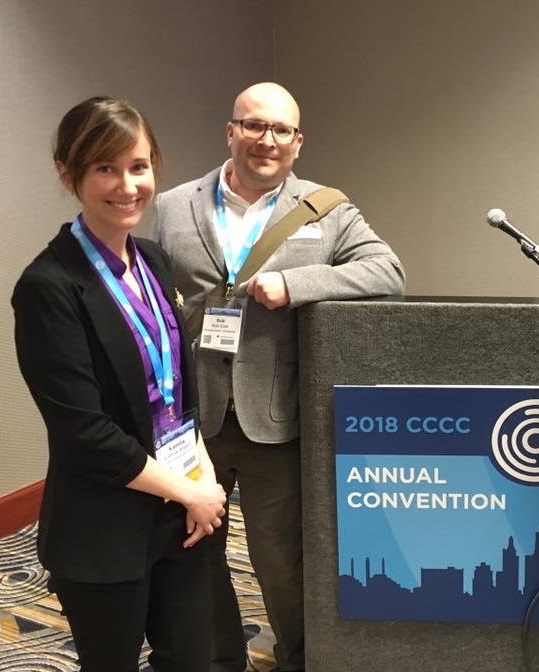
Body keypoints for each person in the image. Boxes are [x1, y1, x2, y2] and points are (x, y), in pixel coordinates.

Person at [152, 82, 405, 672]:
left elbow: (387, 270)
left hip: (276, 416)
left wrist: (296, 286)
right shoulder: (170, 206)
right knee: (194, 553)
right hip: (192, 419)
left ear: (298, 142)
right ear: (231, 131)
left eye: (281, 131)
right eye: (255, 126)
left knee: (281, 561)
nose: (268, 141)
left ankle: (298, 659)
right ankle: (220, 659)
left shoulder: (328, 208)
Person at [12, 97, 228, 671]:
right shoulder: (49, 286)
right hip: (105, 522)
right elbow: (84, 432)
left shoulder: (155, 261)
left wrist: (198, 479)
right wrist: (189, 491)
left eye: (138, 166)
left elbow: (178, 391)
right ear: (69, 175)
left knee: (191, 659)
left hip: (178, 509)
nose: (127, 185)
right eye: (105, 168)